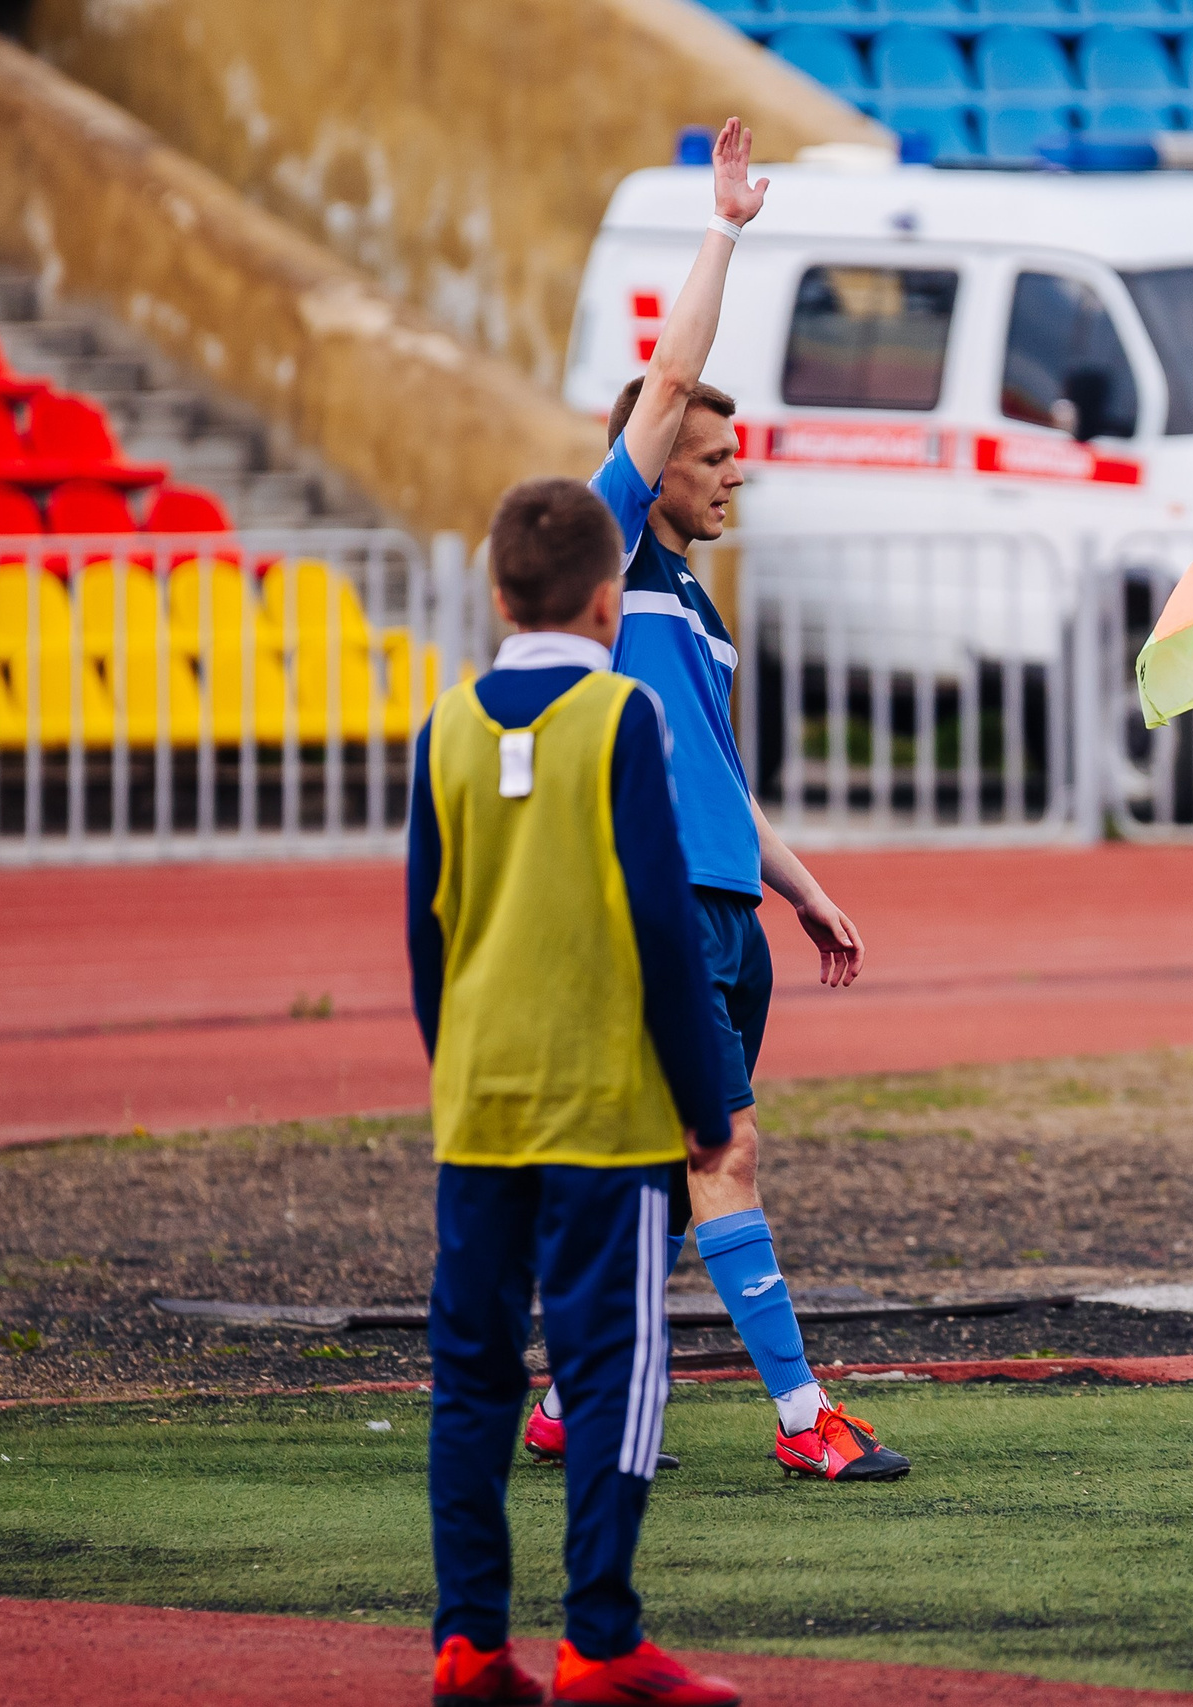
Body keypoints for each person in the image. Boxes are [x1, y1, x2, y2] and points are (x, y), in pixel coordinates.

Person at [521, 116, 908, 1484]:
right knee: (718, 1145)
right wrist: (726, 227)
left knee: (663, 1163)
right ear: (649, 461)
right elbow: (673, 365)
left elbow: (719, 781)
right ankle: (806, 1418)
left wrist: (802, 889)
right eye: (710, 452)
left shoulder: (692, 605)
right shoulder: (609, 549)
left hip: (725, 905)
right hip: (661, 907)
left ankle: (569, 1394)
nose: (732, 467)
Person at [411, 479, 742, 1707]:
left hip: (481, 1106)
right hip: (604, 1109)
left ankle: (467, 1639)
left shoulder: (445, 726)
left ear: (498, 595)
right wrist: (704, 1097)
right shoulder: (623, 722)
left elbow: (424, 933)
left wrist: (459, 1069)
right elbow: (661, 921)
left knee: (473, 1371)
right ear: (611, 602)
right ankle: (598, 1638)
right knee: (614, 1365)